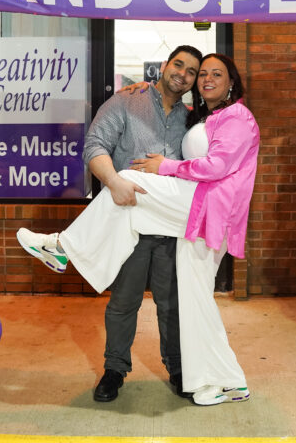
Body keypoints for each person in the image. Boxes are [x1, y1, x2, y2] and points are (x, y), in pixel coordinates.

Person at [17, 53, 259, 406]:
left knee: (176, 304)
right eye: (189, 68)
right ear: (163, 68)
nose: (194, 76)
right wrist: (114, 181)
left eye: (205, 73)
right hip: (135, 215)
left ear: (230, 82)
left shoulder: (216, 116)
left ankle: (64, 247)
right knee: (144, 302)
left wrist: (164, 166)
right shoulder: (132, 102)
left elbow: (219, 164)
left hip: (191, 214)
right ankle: (141, 372)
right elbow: (94, 145)